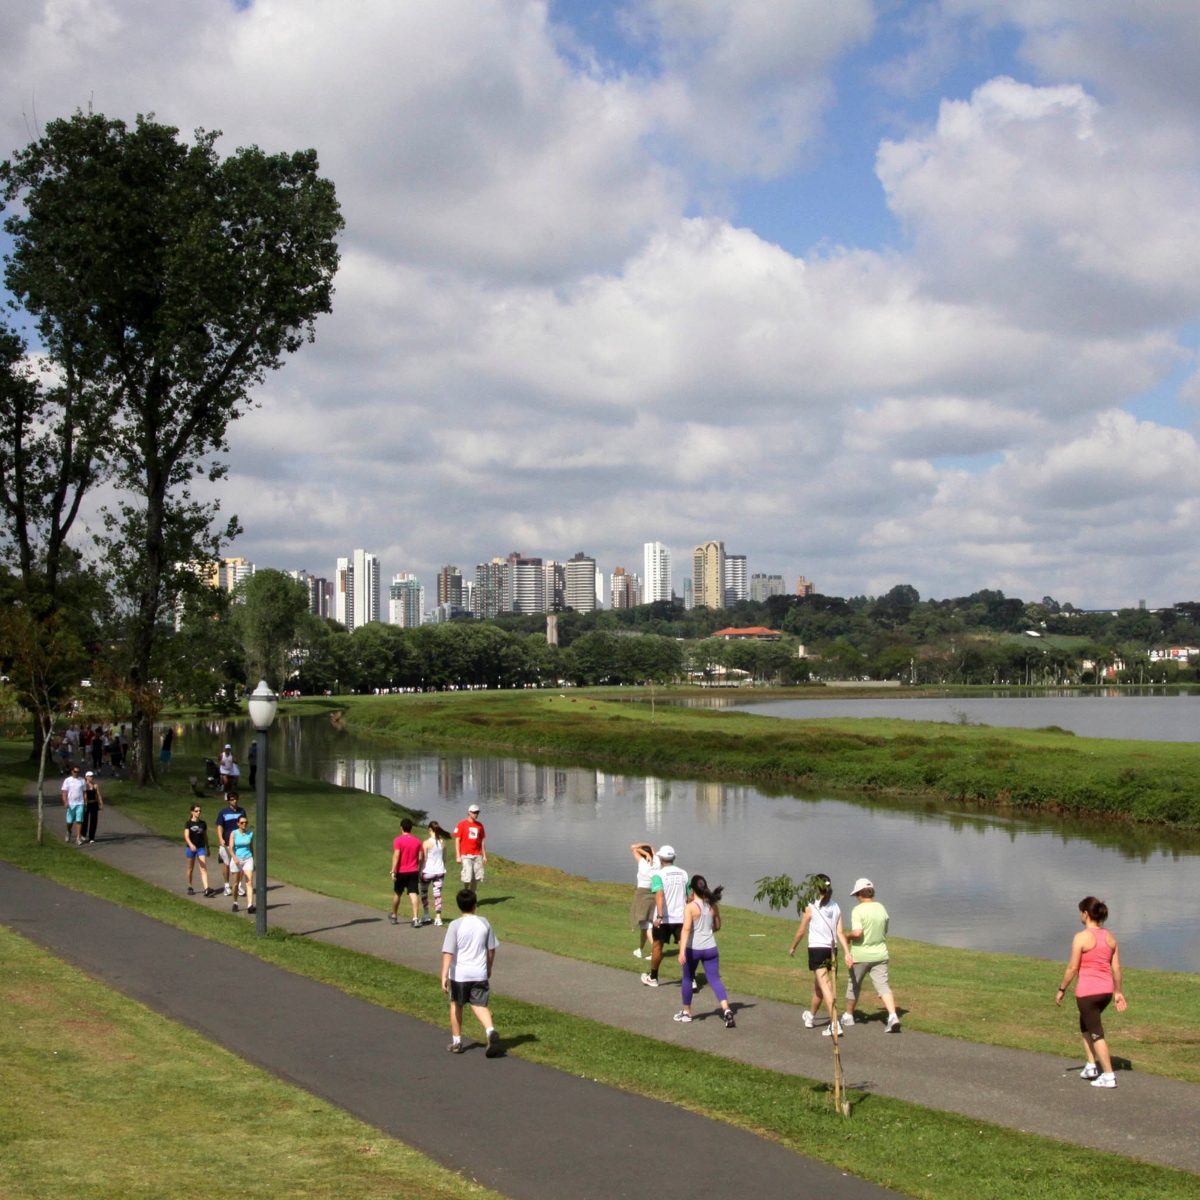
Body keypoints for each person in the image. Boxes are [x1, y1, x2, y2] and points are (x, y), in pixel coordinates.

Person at [1056, 896, 1127, 1089]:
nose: (1080, 915)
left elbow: (1072, 968)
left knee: (1096, 1033)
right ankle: (1090, 1066)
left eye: (1081, 911)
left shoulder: (1081, 937)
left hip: (1088, 993)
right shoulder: (1110, 937)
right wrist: (1118, 992)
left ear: (1086, 914)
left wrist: (1061, 989)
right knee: (1085, 1023)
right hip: (1106, 992)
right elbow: (1117, 968)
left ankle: (1109, 1075)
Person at [789, 873, 852, 1036]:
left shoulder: (811, 905)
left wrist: (793, 947)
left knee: (826, 986)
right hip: (831, 950)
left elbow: (801, 930)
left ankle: (834, 1024)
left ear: (816, 888)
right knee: (819, 986)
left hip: (817, 950)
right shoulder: (835, 906)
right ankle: (810, 1016)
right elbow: (840, 932)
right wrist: (845, 951)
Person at [441, 888, 501, 1057]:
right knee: (479, 1005)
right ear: (475, 906)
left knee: (456, 1005)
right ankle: (490, 1031)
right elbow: (491, 949)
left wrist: (444, 974)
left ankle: (457, 1041)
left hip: (459, 974)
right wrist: (489, 967)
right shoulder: (484, 923)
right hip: (479, 973)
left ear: (459, 906)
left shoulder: (455, 925)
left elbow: (448, 952)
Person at [675, 874, 736, 1027]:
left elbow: (686, 929)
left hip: (693, 949)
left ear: (692, 890)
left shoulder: (690, 907)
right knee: (715, 980)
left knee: (688, 978)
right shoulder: (712, 905)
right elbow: (717, 926)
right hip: (710, 949)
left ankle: (686, 1012)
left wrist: (681, 951)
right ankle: (726, 1010)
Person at [843, 878, 900, 1032]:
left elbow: (857, 932)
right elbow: (885, 929)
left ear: (859, 894)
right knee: (883, 986)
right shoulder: (881, 908)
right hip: (880, 954)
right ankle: (893, 1015)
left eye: (856, 895)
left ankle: (849, 1016)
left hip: (861, 955)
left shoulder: (858, 910)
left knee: (854, 985)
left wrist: (847, 938)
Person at [641, 845, 689, 988]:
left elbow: (660, 894)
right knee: (683, 948)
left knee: (657, 946)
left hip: (665, 918)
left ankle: (654, 977)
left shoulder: (658, 876)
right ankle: (690, 978)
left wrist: (660, 916)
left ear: (661, 858)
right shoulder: (684, 874)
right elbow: (690, 896)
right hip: (681, 918)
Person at [390, 817, 425, 927]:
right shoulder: (418, 841)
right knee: (413, 894)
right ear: (411, 828)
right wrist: (419, 870)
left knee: (397, 893)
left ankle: (394, 915)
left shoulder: (398, 840)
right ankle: (415, 918)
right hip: (413, 871)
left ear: (401, 828)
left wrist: (393, 870)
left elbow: (396, 855)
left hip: (401, 871)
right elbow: (420, 858)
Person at [216, 793, 248, 898]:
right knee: (226, 864)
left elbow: (244, 825)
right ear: (229, 801)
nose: (234, 801)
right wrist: (220, 838)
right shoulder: (223, 813)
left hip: (238, 843)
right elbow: (220, 826)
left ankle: (238, 885)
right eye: (232, 799)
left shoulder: (242, 811)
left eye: (235, 799)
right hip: (226, 842)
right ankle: (226, 885)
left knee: (240, 864)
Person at [630, 842, 659, 959]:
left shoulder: (642, 863)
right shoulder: (657, 862)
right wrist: (649, 851)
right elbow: (652, 846)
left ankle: (656, 951)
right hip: (654, 895)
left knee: (647, 927)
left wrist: (644, 853)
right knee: (646, 925)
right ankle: (640, 949)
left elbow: (633, 847)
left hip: (643, 895)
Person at [420, 821, 450, 926]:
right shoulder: (443, 842)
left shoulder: (426, 843)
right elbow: (444, 859)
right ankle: (438, 917)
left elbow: (424, 859)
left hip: (428, 871)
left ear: (430, 829)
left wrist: (420, 871)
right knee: (437, 894)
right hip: (440, 871)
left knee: (424, 893)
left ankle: (426, 914)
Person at [453, 803, 486, 894]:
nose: (476, 814)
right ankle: (466, 890)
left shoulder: (480, 825)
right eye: (474, 812)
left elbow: (482, 841)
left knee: (476, 877)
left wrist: (484, 855)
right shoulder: (461, 824)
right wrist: (458, 856)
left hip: (477, 854)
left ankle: (472, 894)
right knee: (467, 877)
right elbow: (457, 840)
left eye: (477, 813)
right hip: (466, 854)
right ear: (469, 812)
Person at [184, 804, 214, 897]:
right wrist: (191, 844)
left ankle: (206, 888)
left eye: (199, 811)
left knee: (203, 867)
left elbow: (205, 836)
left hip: (201, 847)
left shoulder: (202, 823)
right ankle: (190, 886)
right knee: (190, 868)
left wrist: (208, 847)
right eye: (196, 811)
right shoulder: (188, 823)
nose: (198, 812)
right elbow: (186, 836)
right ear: (192, 812)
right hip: (191, 848)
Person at [229, 815, 256, 914]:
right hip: (237, 858)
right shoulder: (234, 833)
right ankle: (235, 902)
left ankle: (250, 905)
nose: (244, 824)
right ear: (238, 824)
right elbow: (231, 848)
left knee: (249, 881)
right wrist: (235, 858)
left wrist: (253, 859)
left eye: (246, 822)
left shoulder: (250, 833)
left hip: (248, 858)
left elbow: (251, 847)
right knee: (235, 883)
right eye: (242, 823)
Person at [61, 765, 86, 845]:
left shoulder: (82, 780)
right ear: (72, 771)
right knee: (70, 821)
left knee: (79, 820)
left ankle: (78, 837)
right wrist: (65, 802)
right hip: (71, 803)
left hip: (80, 803)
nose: (76, 773)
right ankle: (68, 831)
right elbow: (64, 792)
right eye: (75, 771)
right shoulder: (67, 780)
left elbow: (84, 792)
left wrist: (85, 801)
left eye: (78, 772)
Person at [80, 770, 104, 843]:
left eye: (92, 776)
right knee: (85, 820)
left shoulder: (95, 785)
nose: (91, 777)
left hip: (94, 804)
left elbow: (98, 795)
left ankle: (92, 837)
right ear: (86, 777)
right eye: (90, 776)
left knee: (94, 821)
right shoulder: (84, 786)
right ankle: (83, 834)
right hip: (86, 804)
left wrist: (101, 803)